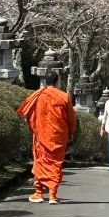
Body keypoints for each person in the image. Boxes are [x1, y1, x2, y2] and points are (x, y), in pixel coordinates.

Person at [18, 68, 76, 204]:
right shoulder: (64, 96)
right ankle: (52, 196)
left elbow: (28, 114)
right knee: (55, 164)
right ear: (57, 81)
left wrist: (34, 128)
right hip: (58, 136)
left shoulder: (37, 95)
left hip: (41, 134)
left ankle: (38, 193)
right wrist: (71, 132)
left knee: (40, 162)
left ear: (44, 81)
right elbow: (71, 118)